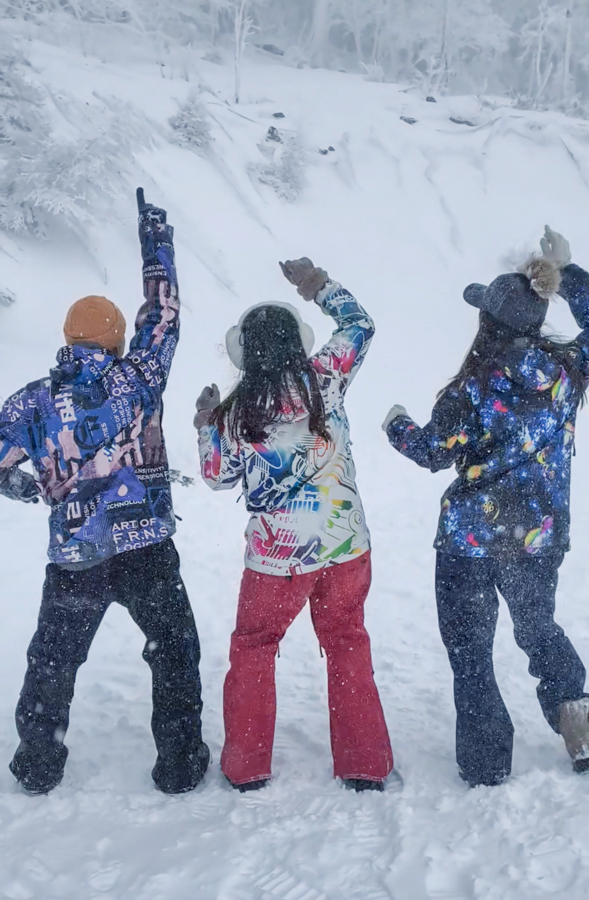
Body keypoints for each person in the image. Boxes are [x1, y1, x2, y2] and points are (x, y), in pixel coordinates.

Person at [0, 189, 209, 795]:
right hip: (146, 548)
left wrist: (26, 486)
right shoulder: (139, 376)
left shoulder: (31, 402)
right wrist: (156, 241)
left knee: (53, 661)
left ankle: (38, 764)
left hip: (76, 557)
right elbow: (164, 313)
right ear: (116, 341)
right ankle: (178, 763)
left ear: (68, 339)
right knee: (172, 648)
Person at [383, 226, 589, 787]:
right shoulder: (568, 374)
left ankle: (486, 760)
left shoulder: (470, 390)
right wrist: (565, 275)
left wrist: (395, 424)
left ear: (487, 324)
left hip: (469, 542)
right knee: (538, 626)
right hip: (537, 538)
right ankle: (581, 723)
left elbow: (430, 451)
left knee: (471, 653)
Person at [195, 258, 393, 792]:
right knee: (347, 640)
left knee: (255, 647)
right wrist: (318, 285)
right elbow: (361, 326)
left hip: (275, 558)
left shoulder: (237, 414)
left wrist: (205, 426)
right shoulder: (325, 376)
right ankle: (365, 764)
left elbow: (216, 477)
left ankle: (247, 766)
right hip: (346, 544)